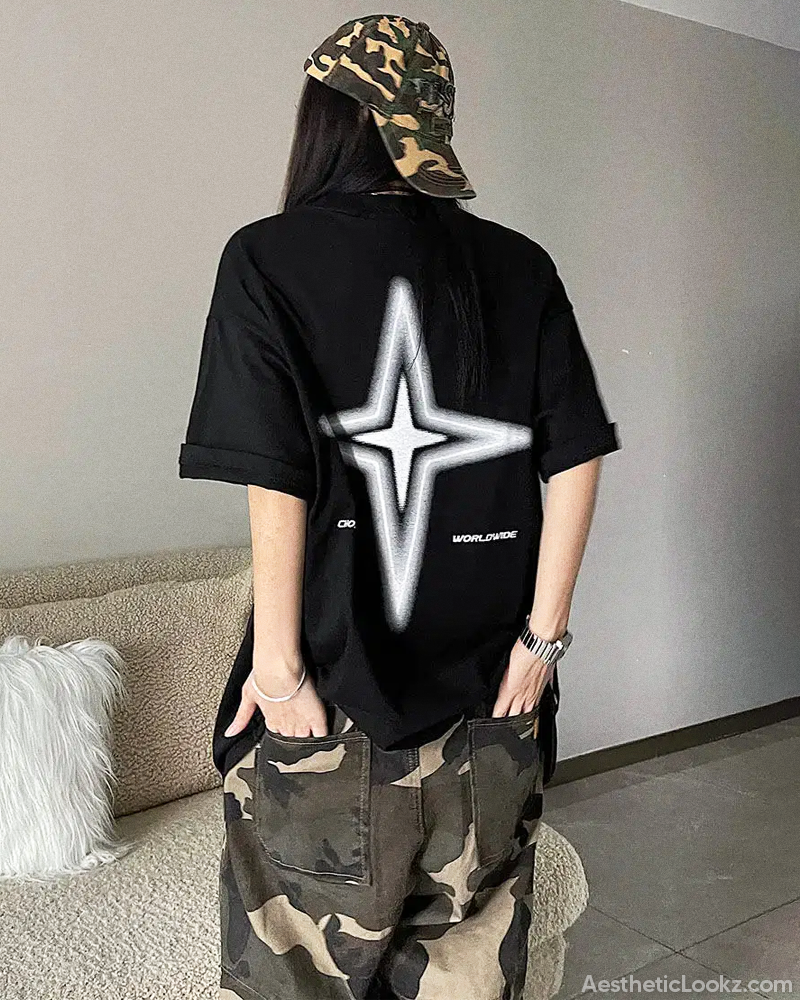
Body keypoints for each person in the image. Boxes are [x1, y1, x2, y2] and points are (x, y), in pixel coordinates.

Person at [178, 13, 621, 1000]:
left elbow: (276, 474)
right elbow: (578, 454)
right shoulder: (519, 265)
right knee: (469, 981)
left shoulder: (267, 257)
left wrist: (279, 669)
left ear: (325, 119)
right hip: (494, 709)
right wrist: (540, 645)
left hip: (330, 711)